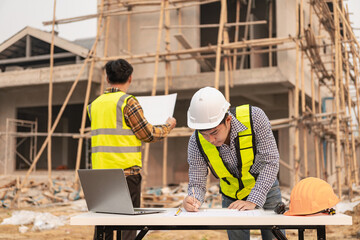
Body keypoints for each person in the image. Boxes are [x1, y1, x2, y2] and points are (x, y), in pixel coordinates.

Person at [87, 58, 176, 240]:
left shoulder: (93, 106)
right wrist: (167, 126)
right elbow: (148, 134)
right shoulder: (127, 102)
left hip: (100, 177)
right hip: (126, 175)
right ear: (130, 78)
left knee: (103, 228)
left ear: (107, 78)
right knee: (127, 228)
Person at [183, 86, 282, 240]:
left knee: (275, 237)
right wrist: (193, 199)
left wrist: (253, 199)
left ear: (227, 120)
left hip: (265, 189)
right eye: (204, 134)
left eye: (214, 132)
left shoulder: (255, 118)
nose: (211, 140)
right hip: (231, 197)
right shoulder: (195, 142)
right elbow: (197, 181)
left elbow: (271, 162)